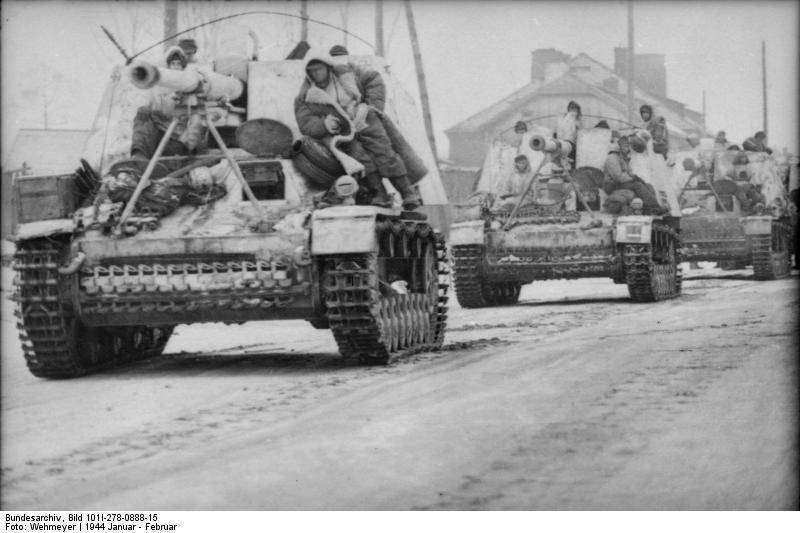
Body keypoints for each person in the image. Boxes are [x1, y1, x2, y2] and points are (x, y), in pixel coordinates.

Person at [294, 50, 423, 210]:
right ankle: (380, 194)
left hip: (365, 118)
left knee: (384, 153)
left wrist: (370, 106)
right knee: (360, 160)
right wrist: (324, 124)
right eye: (312, 71)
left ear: (327, 67)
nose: (316, 73)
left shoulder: (348, 74)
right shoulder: (307, 94)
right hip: (342, 131)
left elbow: (374, 80)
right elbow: (305, 121)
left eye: (319, 68)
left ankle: (408, 193)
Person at [130, 46, 206, 160]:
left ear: (182, 67)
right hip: (161, 132)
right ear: (168, 66)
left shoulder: (190, 88)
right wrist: (145, 109)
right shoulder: (159, 88)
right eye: (173, 63)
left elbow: (196, 122)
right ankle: (138, 156)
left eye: (178, 64)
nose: (175, 67)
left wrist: (189, 145)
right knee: (143, 116)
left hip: (179, 139)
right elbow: (151, 108)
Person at [602, 135, 663, 214]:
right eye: (625, 146)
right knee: (638, 185)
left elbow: (629, 172)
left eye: (628, 146)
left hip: (621, 183)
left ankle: (649, 208)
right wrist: (632, 179)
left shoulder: (623, 158)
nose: (627, 148)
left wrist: (636, 177)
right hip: (611, 185)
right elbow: (618, 176)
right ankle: (654, 207)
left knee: (647, 185)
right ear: (619, 147)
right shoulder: (612, 158)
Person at [555, 101, 581, 166]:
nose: (573, 111)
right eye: (571, 109)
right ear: (568, 110)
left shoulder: (579, 121)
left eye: (575, 109)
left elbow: (581, 132)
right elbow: (560, 131)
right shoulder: (565, 119)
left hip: (575, 145)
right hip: (565, 143)